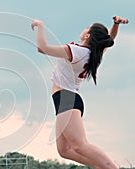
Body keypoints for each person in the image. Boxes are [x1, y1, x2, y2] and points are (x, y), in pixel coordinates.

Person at [31, 16, 129, 169]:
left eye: (87, 28)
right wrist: (116, 24)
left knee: (80, 145)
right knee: (64, 150)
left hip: (66, 98)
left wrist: (41, 25)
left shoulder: (76, 51)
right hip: (66, 98)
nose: (84, 29)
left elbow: (42, 47)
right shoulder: (93, 53)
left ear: (87, 36)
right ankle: (101, 166)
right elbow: (110, 38)